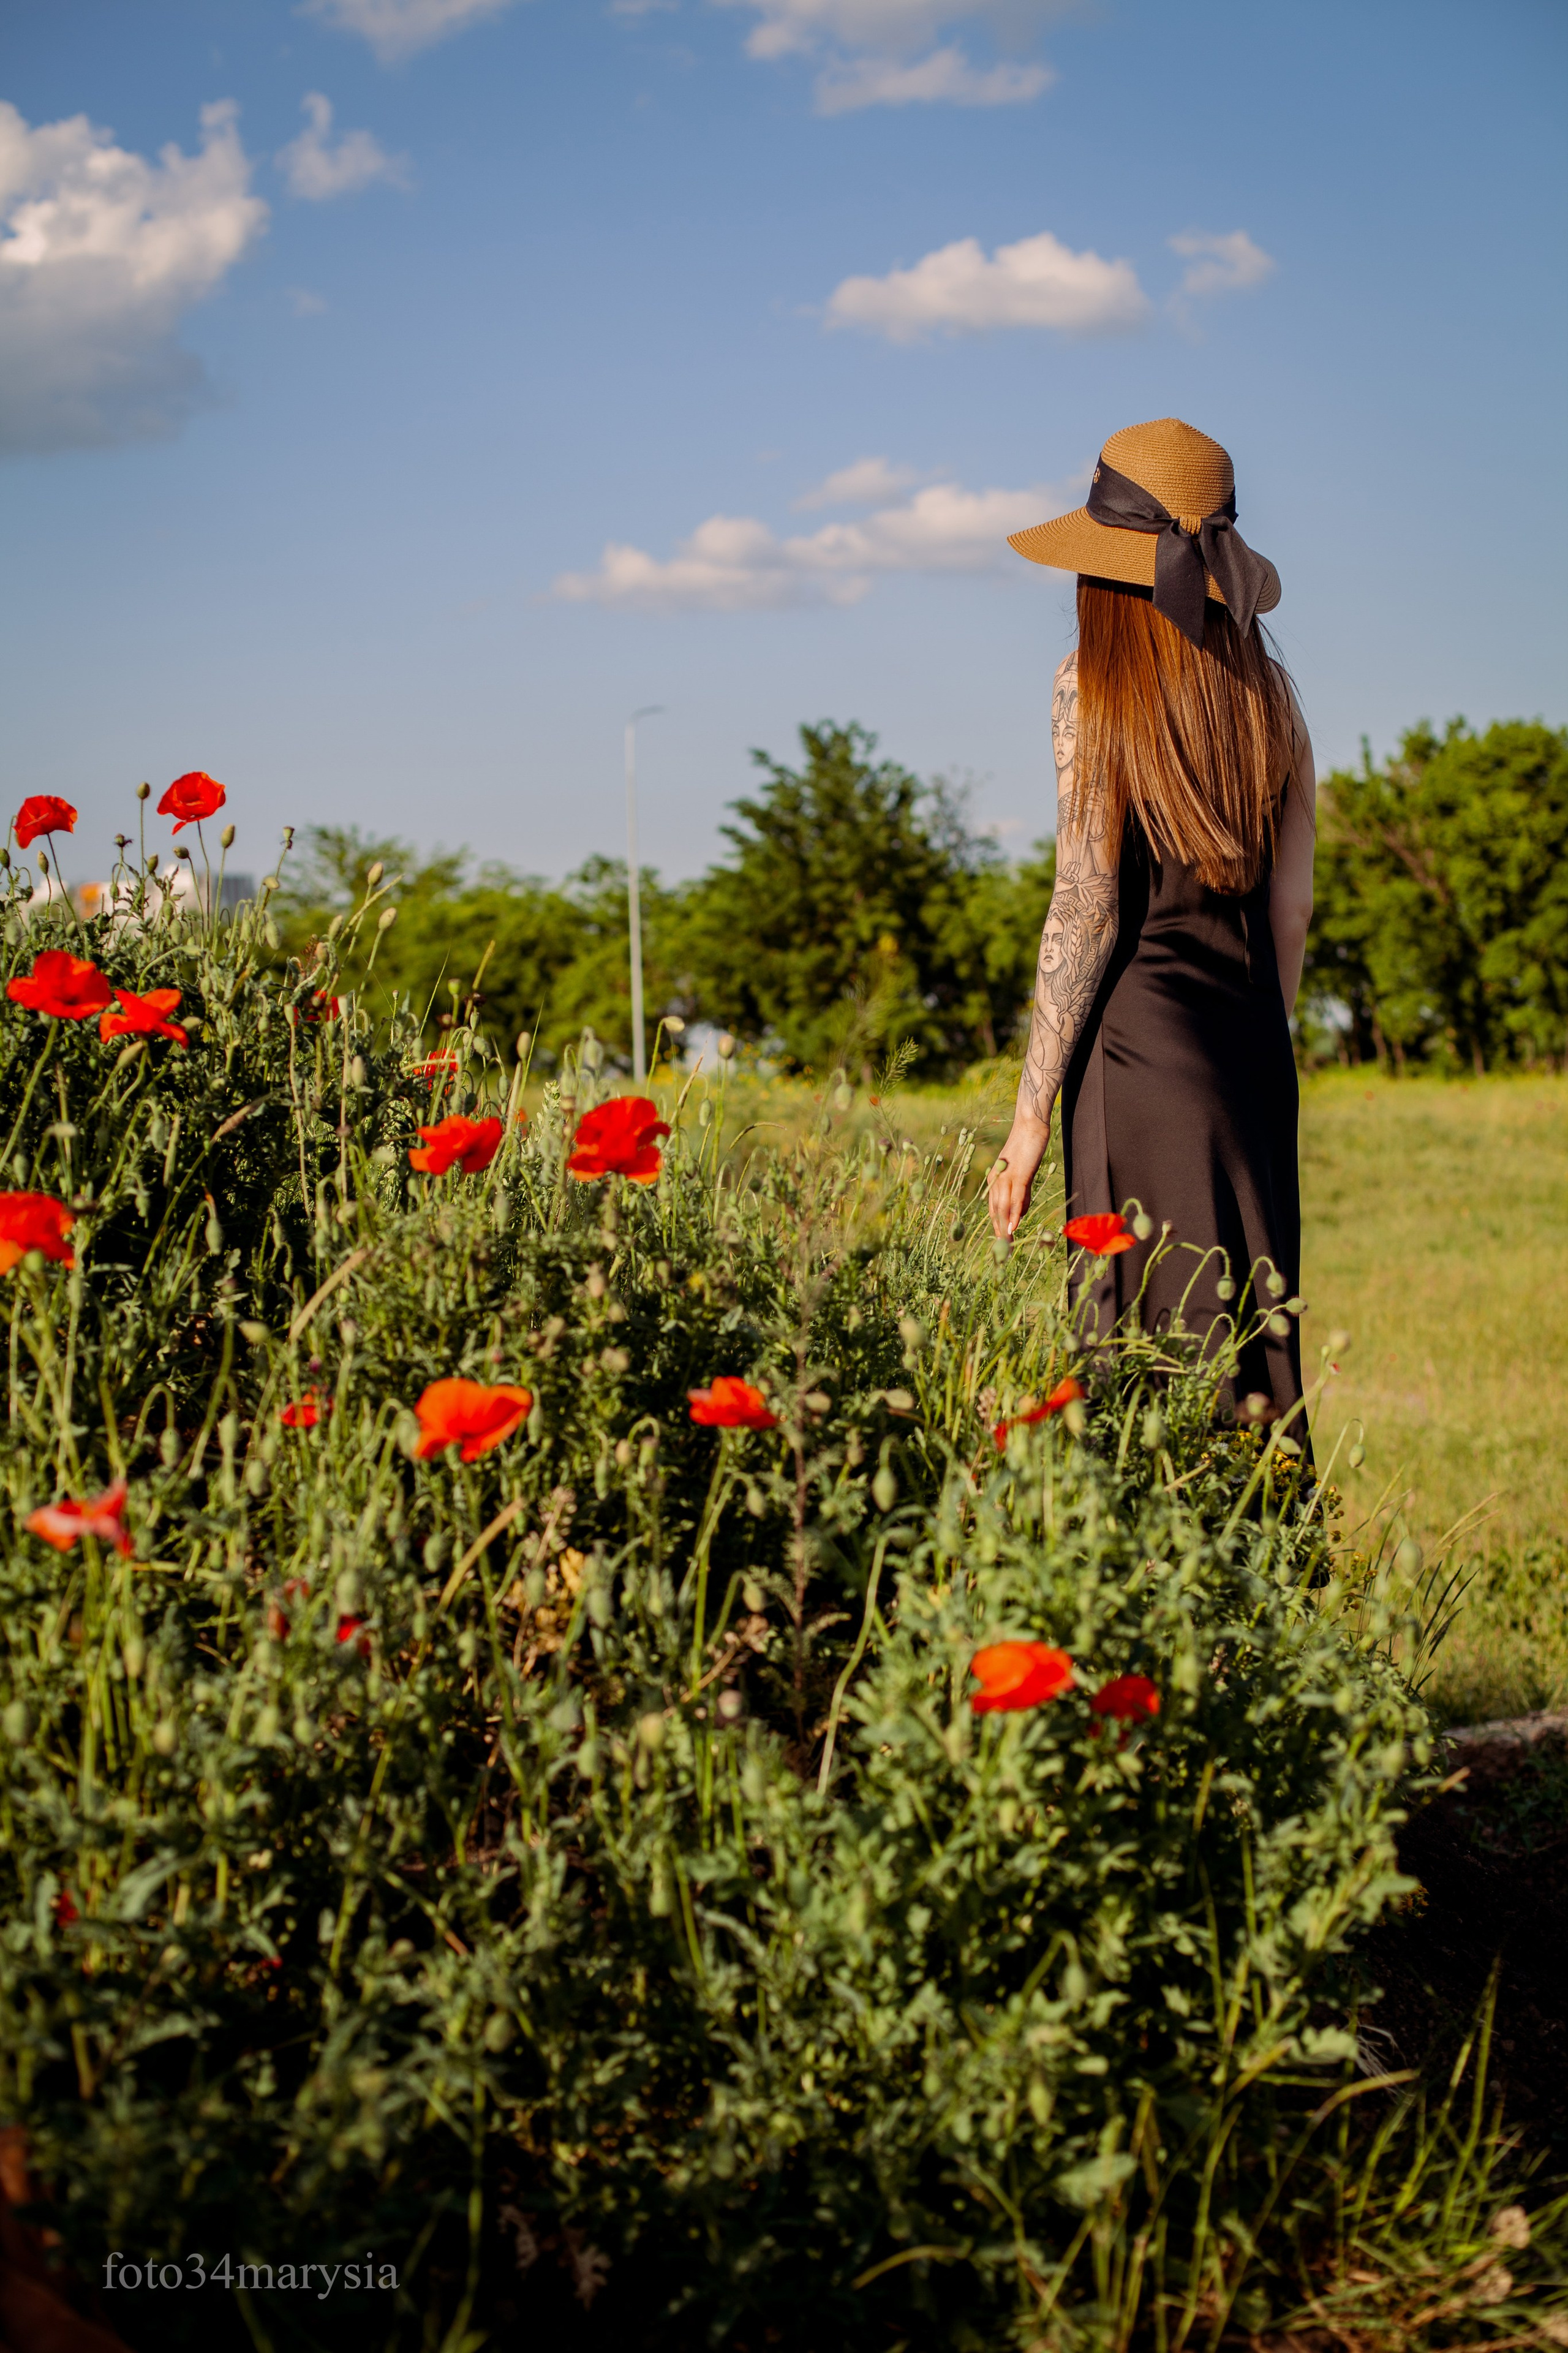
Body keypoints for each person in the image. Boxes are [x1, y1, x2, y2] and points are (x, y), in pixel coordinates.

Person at [986, 417, 1316, 1430]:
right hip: (1252, 1053)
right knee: (1252, 1357)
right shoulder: (1275, 698)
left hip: (1136, 1057)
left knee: (1139, 1372)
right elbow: (1293, 905)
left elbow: (1086, 903)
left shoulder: (1088, 685)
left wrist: (1030, 1115)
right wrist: (1259, 1034)